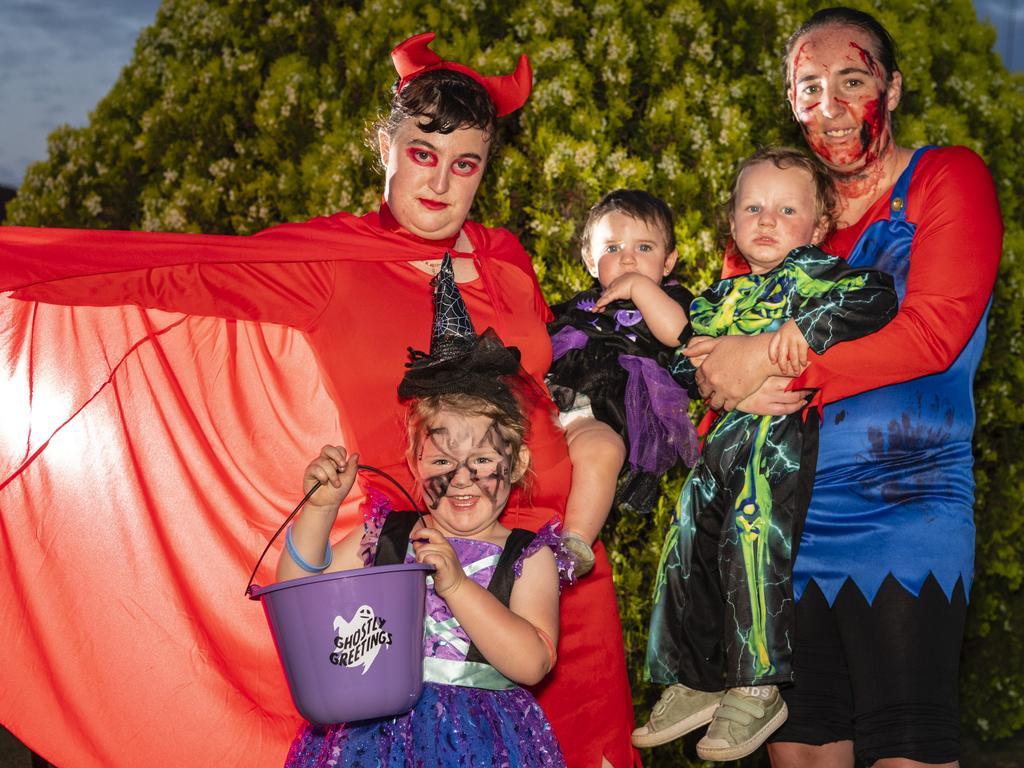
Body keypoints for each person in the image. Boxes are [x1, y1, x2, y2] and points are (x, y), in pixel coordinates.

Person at [0, 33, 637, 768]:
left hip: (552, 580)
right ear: (385, 146)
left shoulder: (507, 263)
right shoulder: (326, 264)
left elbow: (539, 390)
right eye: (422, 155)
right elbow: (174, 274)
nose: (440, 183)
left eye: (465, 164)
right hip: (417, 582)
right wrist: (24, 264)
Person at [685, 8, 1003, 767]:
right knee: (798, 742)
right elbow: (720, 354)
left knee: (908, 738)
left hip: (906, 504)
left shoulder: (946, 179)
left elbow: (934, 335)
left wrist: (770, 359)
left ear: (890, 89)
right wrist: (717, 379)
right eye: (809, 88)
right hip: (785, 523)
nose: (828, 109)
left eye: (850, 82)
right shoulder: (784, 215)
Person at [631, 146, 898, 761]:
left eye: (786, 208)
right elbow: (685, 353)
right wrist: (706, 370)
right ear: (731, 223)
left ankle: (758, 681)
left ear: (819, 224)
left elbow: (877, 296)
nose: (768, 220)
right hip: (722, 447)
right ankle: (697, 676)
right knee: (688, 537)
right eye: (752, 207)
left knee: (749, 539)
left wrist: (793, 335)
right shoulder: (721, 296)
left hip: (780, 448)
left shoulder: (817, 275)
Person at [281, 280, 567, 767]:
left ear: (516, 463)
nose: (461, 479)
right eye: (441, 462)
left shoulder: (528, 555)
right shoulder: (390, 536)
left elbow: (535, 661)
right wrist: (321, 508)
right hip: (370, 741)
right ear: (414, 461)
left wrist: (457, 584)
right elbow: (297, 597)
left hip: (484, 744)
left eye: (481, 459)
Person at [545, 189, 699, 576]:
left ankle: (574, 541)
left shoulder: (671, 301)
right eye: (612, 247)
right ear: (590, 261)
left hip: (602, 413)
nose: (628, 258)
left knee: (604, 451)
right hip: (550, 399)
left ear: (669, 262)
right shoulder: (579, 305)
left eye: (644, 247)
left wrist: (640, 289)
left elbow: (679, 334)